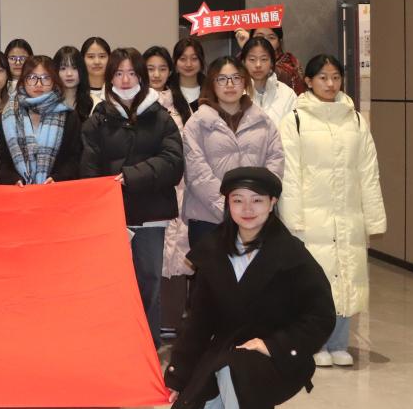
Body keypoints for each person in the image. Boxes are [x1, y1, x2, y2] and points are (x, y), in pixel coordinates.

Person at [163, 167, 335, 409]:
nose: (247, 208)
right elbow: (199, 322)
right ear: (228, 203)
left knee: (236, 371)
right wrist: (180, 373)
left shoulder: (292, 254)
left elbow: (321, 315)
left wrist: (274, 345)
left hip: (274, 360)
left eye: (257, 200)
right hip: (223, 354)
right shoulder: (213, 250)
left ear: (272, 203)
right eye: (238, 200)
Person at [279, 54, 387, 367]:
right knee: (317, 282)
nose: (330, 84)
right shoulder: (295, 121)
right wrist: (294, 220)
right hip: (312, 217)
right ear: (308, 81)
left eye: (336, 77)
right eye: (323, 77)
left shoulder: (355, 120)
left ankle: (339, 343)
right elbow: (290, 175)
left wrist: (373, 219)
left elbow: (368, 171)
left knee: (347, 280)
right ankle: (315, 343)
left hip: (348, 214)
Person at [80, 47, 183, 348]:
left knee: (149, 283)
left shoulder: (161, 116)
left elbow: (173, 163)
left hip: (150, 217)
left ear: (142, 77)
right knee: (110, 286)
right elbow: (88, 167)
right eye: (118, 73)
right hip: (111, 218)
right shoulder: (98, 118)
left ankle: (148, 348)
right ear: (109, 77)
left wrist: (131, 176)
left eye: (131, 73)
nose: (125, 80)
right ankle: (115, 349)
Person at [182, 57, 284, 250]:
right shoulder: (196, 123)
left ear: (245, 82)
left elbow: (275, 163)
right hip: (207, 219)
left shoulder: (263, 121)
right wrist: (229, 209)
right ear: (212, 84)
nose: (230, 84)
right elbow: (197, 174)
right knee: (211, 270)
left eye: (236, 78)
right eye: (222, 79)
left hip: (254, 218)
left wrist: (253, 205)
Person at [144, 45, 191, 336]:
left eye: (162, 68)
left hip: (179, 187)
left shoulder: (181, 106)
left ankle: (171, 322)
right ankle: (151, 324)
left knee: (177, 254)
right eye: (150, 68)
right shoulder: (136, 104)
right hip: (148, 189)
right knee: (150, 258)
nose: (156, 74)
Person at [0, 55, 81, 185]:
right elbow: (0, 160)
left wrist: (58, 178)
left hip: (56, 191)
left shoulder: (69, 116)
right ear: (23, 81)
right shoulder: (7, 116)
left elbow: (74, 160)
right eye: (32, 78)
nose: (39, 84)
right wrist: (13, 179)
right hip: (17, 192)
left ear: (54, 81)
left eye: (45, 78)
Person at [240, 36, 297, 124]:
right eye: (252, 59)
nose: (258, 65)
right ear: (243, 63)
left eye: (264, 59)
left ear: (272, 63)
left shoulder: (287, 94)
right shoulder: (235, 92)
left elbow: (293, 128)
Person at [236, 27, 305, 95]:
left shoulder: (290, 63)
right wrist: (247, 49)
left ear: (279, 42)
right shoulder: (240, 61)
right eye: (260, 37)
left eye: (271, 38)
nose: (265, 41)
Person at [55, 45, 96, 122]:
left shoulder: (94, 104)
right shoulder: (48, 104)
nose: (69, 74)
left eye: (74, 68)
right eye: (63, 68)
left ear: (82, 70)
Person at [169, 37, 206, 116]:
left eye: (194, 58)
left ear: (201, 61)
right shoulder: (166, 89)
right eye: (183, 59)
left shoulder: (211, 89)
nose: (188, 64)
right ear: (175, 61)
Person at [80, 36, 111, 105]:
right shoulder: (75, 91)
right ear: (82, 59)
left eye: (102, 56)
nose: (97, 62)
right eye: (91, 57)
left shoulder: (117, 90)